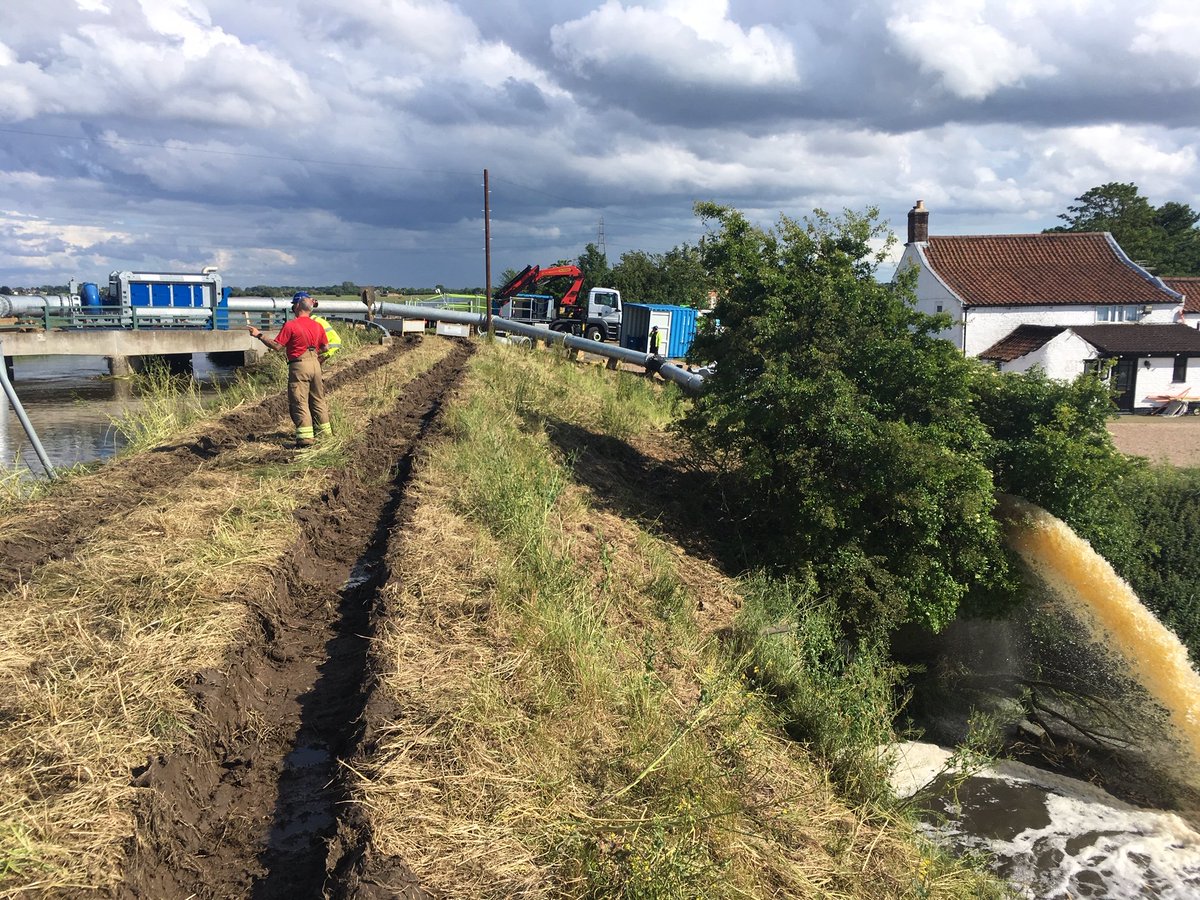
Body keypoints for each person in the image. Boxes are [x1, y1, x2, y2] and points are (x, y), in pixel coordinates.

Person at [248, 292, 331, 448]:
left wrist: (259, 335)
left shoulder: (291, 325)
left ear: (298, 306)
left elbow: (277, 346)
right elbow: (325, 347)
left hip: (299, 365)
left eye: (293, 305)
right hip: (316, 364)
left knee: (300, 401)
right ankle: (325, 435)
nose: (292, 307)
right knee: (318, 400)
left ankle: (305, 439)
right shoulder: (318, 325)